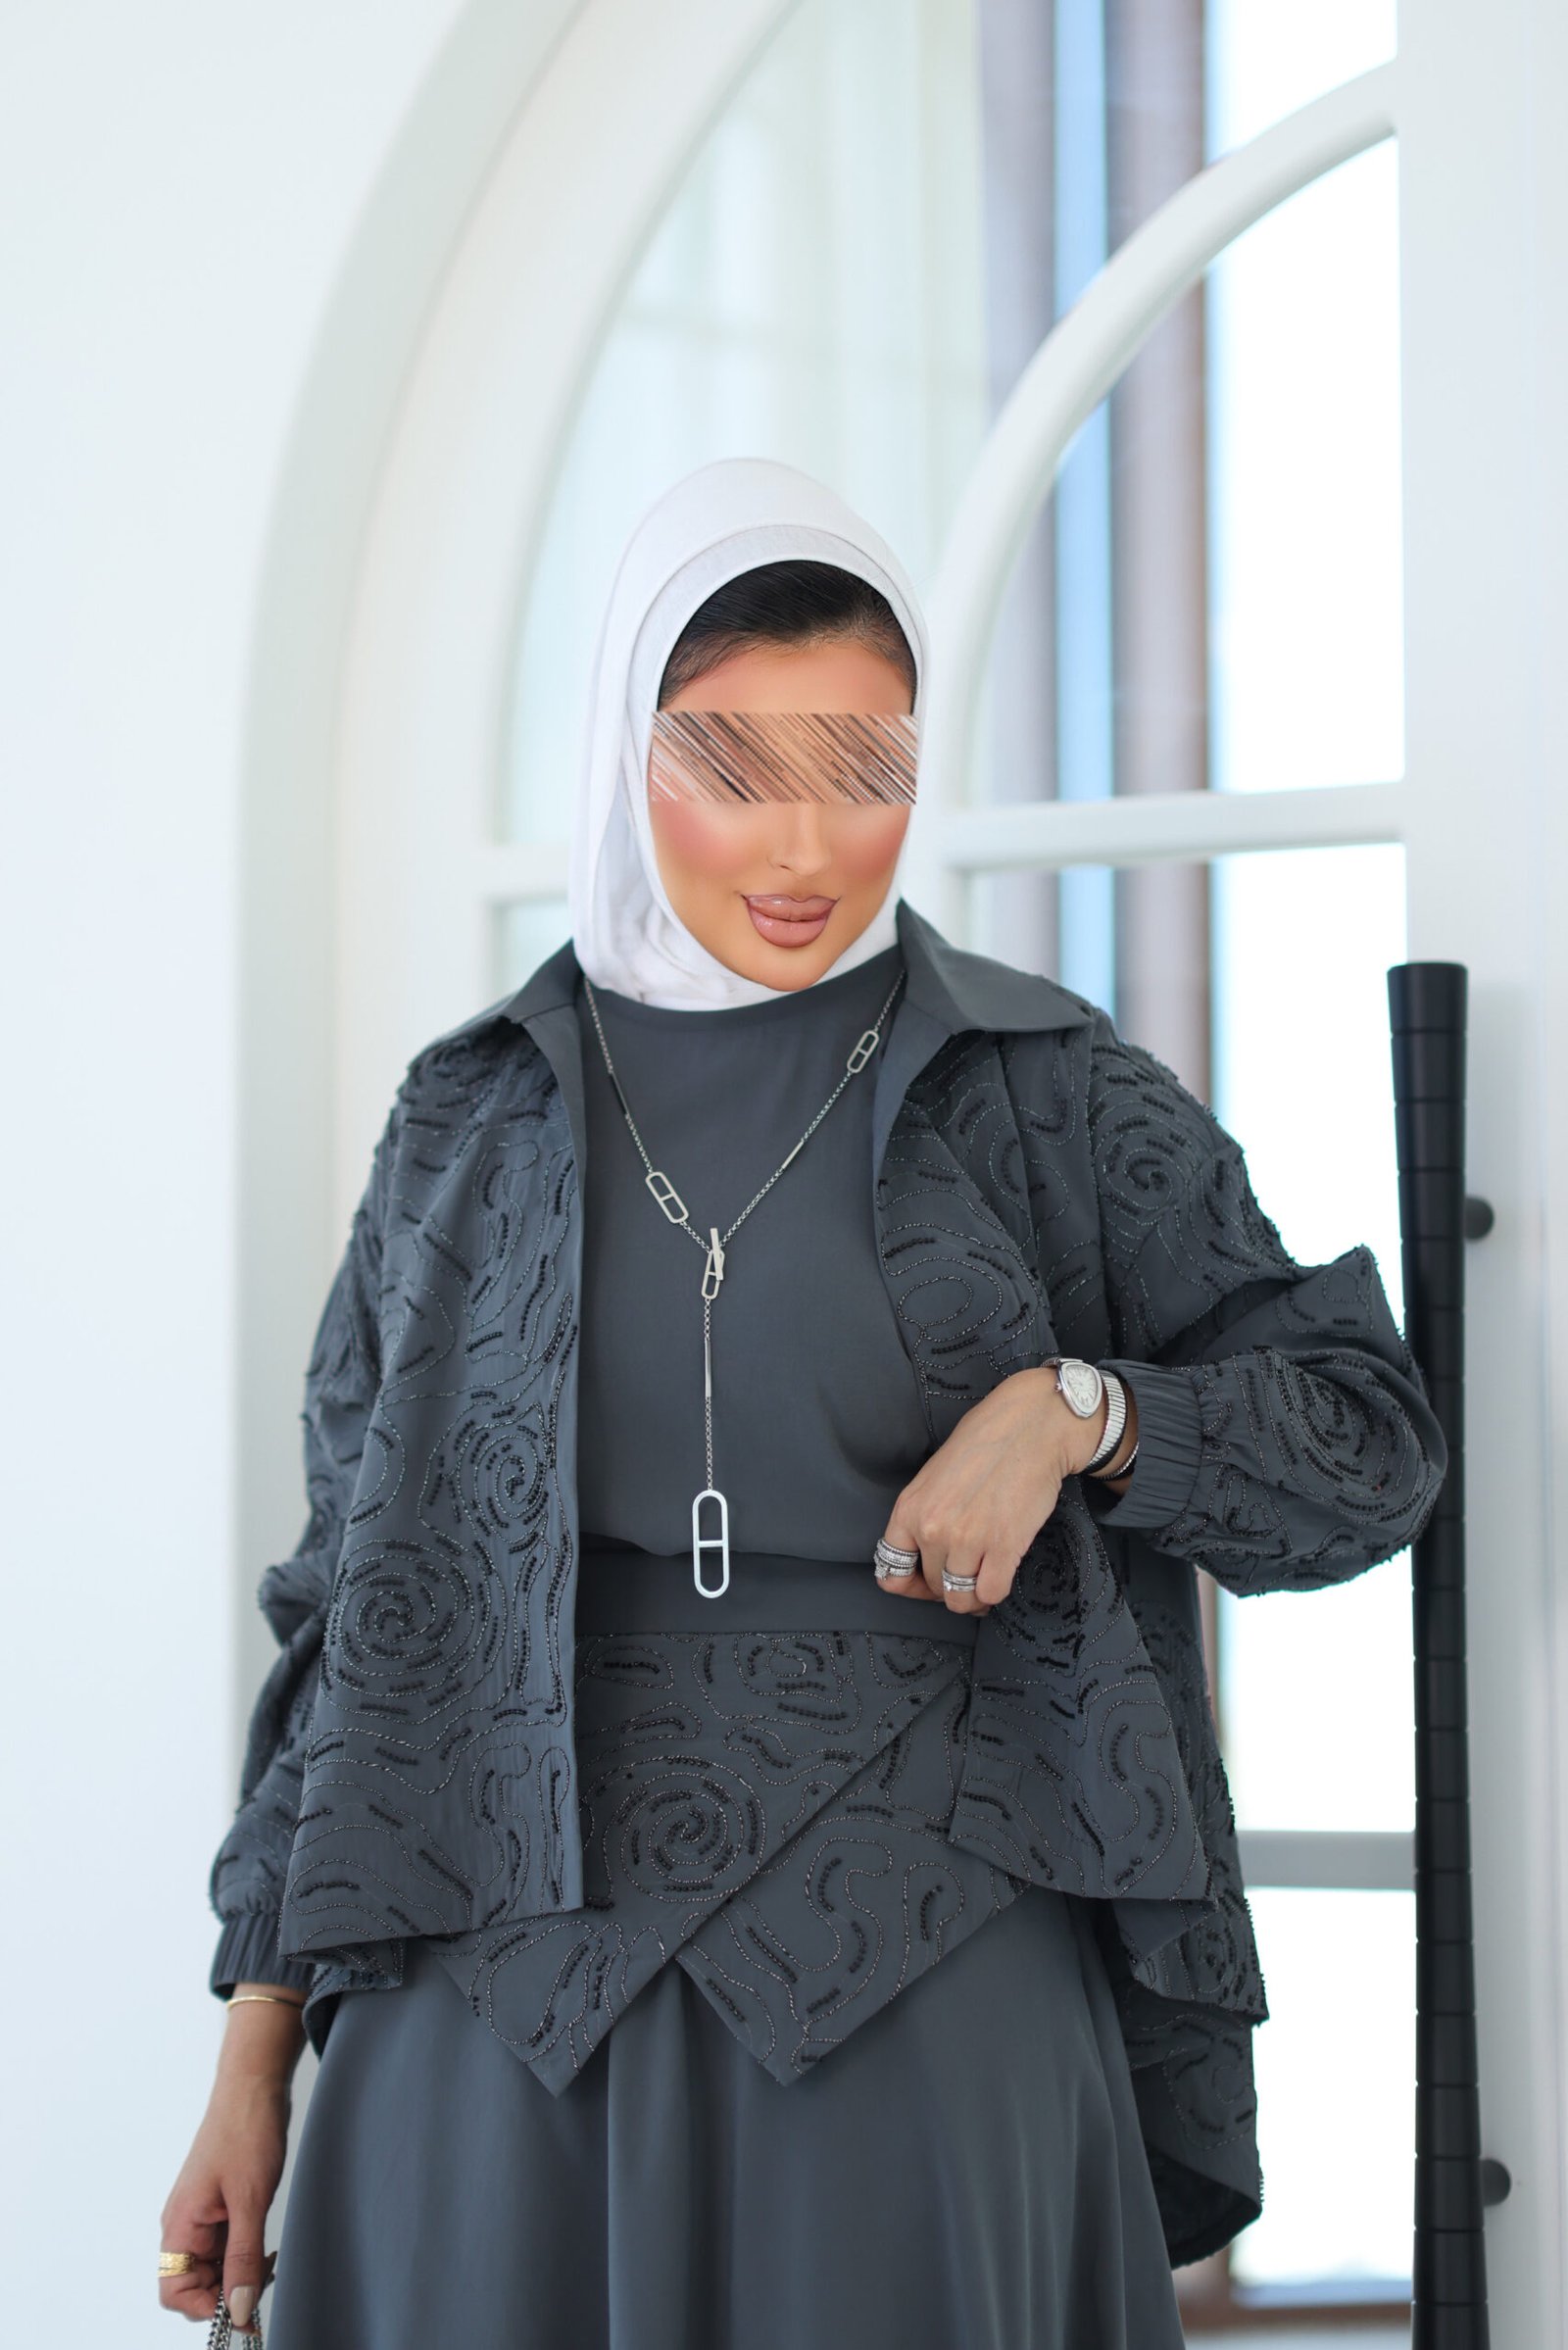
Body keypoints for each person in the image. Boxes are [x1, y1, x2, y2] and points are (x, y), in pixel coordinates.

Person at [159, 458, 1446, 2348]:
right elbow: (349, 1617)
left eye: (867, 767)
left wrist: (1078, 1412)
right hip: (490, 2008)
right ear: (624, 751)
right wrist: (255, 2046)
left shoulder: (1048, 1090)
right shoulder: (468, 1115)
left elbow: (1370, 1443)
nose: (808, 844)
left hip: (927, 1994)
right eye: (732, 764)